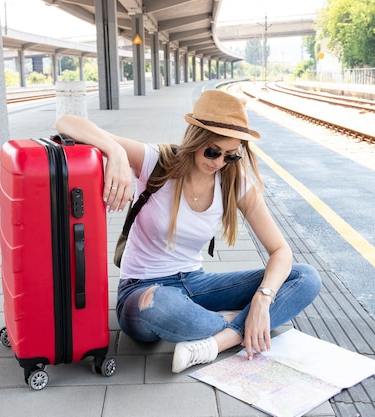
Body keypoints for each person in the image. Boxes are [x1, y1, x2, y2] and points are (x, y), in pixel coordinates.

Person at [55, 90, 321, 373]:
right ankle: (240, 324)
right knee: (161, 306)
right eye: (212, 151)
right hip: (143, 289)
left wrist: (263, 298)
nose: (218, 163)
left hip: (195, 284)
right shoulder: (156, 161)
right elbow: (66, 122)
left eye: (230, 156)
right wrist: (116, 152)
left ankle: (218, 341)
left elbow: (281, 251)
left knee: (306, 277)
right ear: (197, 138)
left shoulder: (234, 183)